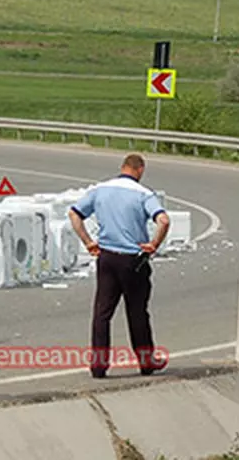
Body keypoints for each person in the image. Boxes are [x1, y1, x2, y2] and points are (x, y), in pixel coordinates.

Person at [68, 153, 170, 379]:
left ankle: (98, 365)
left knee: (102, 313)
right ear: (140, 170)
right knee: (137, 312)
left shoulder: (100, 189)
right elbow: (163, 220)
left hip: (106, 257)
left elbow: (74, 214)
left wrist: (88, 242)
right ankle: (146, 361)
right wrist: (153, 244)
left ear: (122, 167)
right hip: (132, 259)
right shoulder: (144, 194)